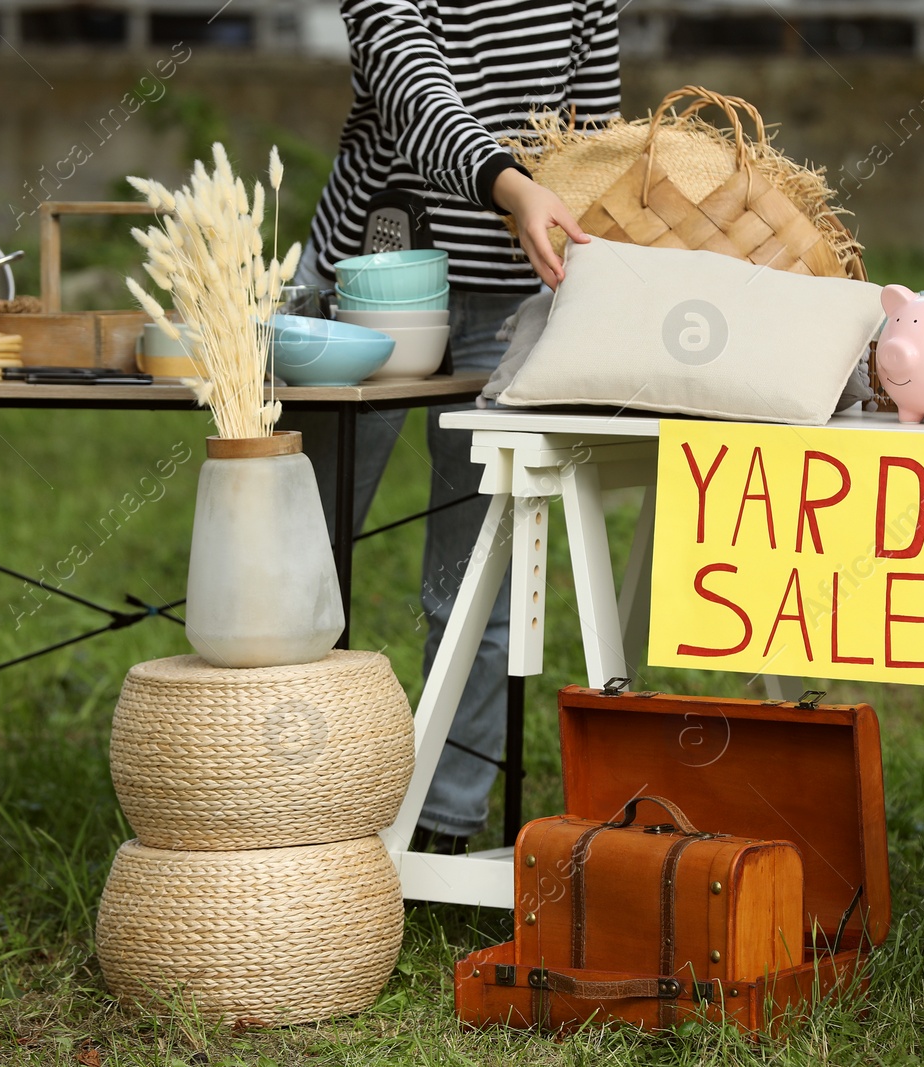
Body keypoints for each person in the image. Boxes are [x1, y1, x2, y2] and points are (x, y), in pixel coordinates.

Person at [284, 0, 621, 852]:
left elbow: (594, 132)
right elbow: (410, 89)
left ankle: (440, 825)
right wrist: (512, 187)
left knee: (479, 580)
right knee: (295, 560)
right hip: (369, 281)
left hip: (513, 297)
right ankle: (280, 799)